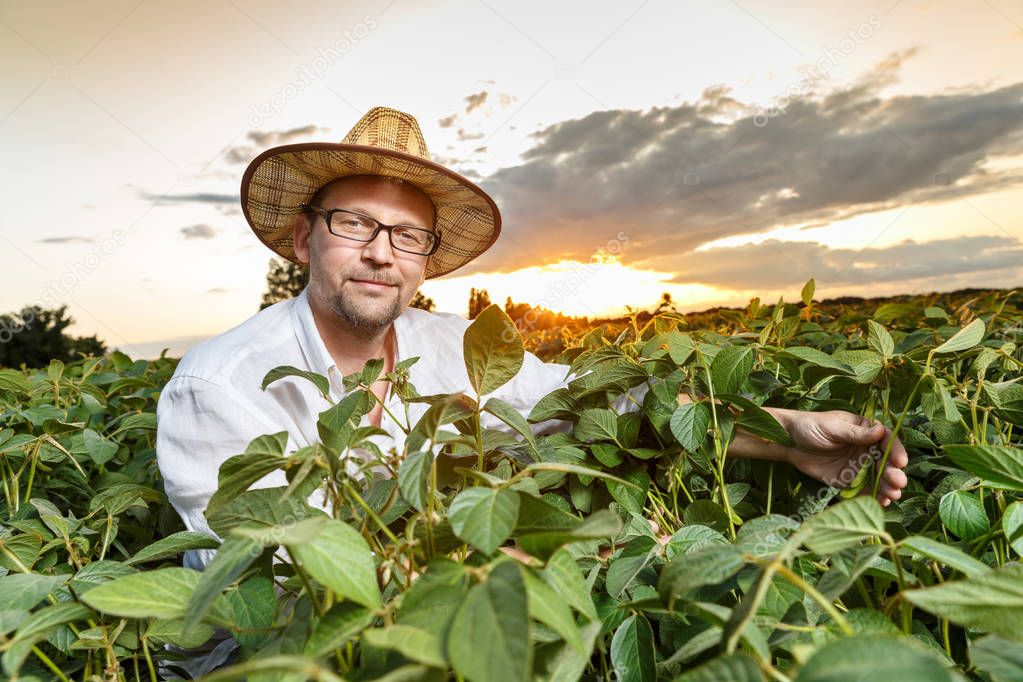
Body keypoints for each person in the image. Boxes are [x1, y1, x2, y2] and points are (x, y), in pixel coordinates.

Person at [155, 106, 909, 574]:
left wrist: (787, 436)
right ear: (301, 240)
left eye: (408, 234)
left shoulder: (457, 348)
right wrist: (520, 561)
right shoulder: (217, 386)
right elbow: (285, 570)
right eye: (354, 223)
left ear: (425, 260)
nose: (381, 252)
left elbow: (600, 403)